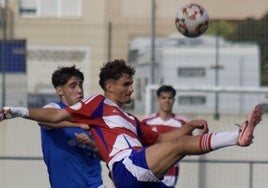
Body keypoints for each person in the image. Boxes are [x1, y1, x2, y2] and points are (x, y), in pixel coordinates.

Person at [0, 59, 263, 188]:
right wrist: (16, 111)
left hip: (136, 175)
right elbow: (55, 117)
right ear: (109, 86)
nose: (130, 90)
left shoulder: (130, 119)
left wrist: (186, 126)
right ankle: (237, 136)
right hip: (126, 168)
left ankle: (237, 136)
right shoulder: (95, 104)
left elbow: (161, 140)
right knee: (181, 146)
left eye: (131, 84)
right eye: (126, 84)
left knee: (179, 143)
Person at [37, 66, 104, 188]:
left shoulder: (91, 116)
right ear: (59, 91)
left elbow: (104, 154)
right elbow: (43, 120)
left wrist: (92, 144)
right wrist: (78, 124)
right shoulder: (54, 109)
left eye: (80, 85)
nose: (79, 90)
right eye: (73, 86)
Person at [141, 85, 189, 188]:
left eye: (170, 98)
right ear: (158, 100)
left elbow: (189, 146)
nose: (167, 101)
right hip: (151, 172)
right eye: (164, 98)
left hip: (171, 174)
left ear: (174, 100)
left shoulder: (182, 123)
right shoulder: (146, 122)